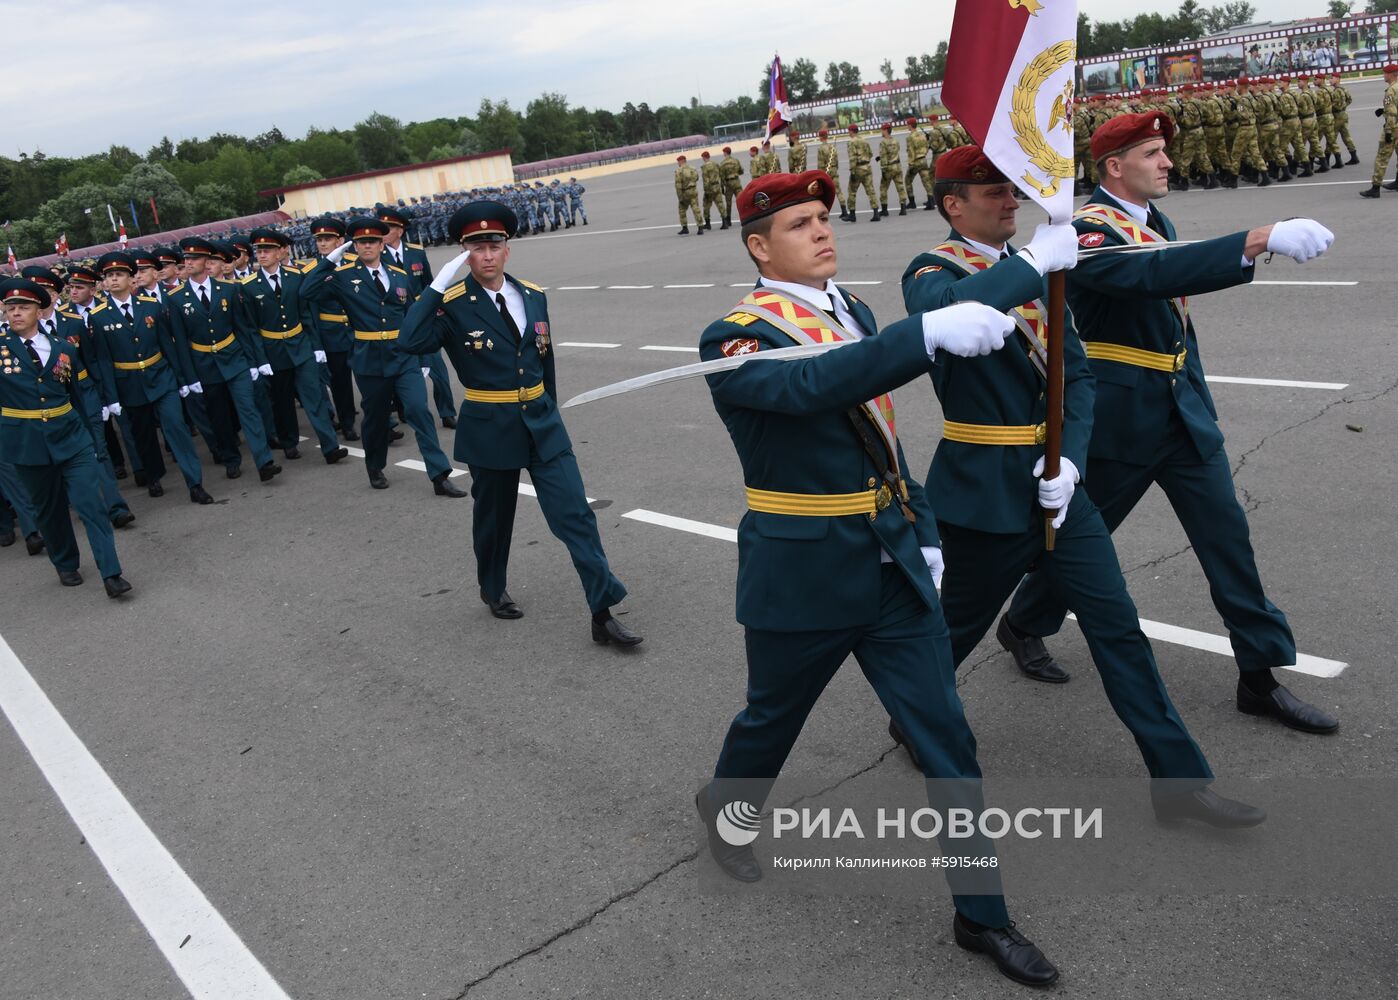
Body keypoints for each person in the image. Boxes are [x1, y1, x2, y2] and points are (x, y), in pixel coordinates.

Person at [693, 169, 1059, 987]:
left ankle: (982, 914)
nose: (822, 231)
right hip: (804, 572)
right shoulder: (734, 337)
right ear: (759, 246)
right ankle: (727, 809)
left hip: (891, 559)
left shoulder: (852, 312)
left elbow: (885, 440)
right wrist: (925, 336)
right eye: (798, 224)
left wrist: (923, 530)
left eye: (824, 218)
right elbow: (817, 385)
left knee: (946, 738)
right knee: (769, 720)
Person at [996, 112, 1339, 736]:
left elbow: (1176, 325)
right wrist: (1256, 238)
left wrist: (1200, 401)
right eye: (1152, 153)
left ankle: (1259, 677)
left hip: (1181, 418)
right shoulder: (1087, 232)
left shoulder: (1152, 220)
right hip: (1120, 427)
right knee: (1080, 544)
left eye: (1164, 152)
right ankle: (1023, 622)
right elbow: (1152, 275)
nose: (1168, 162)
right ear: (1113, 168)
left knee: (1228, 542)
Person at [399, 201, 642, 646]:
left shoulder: (532, 294)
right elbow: (410, 340)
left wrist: (549, 407)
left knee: (576, 515)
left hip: (542, 423)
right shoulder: (451, 305)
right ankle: (492, 587)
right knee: (494, 519)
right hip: (490, 426)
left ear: (506, 249)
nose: (487, 254)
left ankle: (602, 612)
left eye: (494, 245)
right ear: (464, 253)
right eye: (476, 247)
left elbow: (543, 360)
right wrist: (435, 286)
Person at [300, 217, 465, 497]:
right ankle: (375, 465)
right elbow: (307, 291)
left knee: (418, 411)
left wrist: (424, 358)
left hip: (403, 358)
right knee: (375, 418)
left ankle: (439, 475)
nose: (367, 246)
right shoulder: (343, 276)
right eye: (361, 242)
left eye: (372, 241)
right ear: (355, 245)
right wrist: (331, 259)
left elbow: (414, 318)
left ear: (381, 244)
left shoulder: (399, 275)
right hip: (369, 361)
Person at [0, 278, 131, 597]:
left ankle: (111, 573)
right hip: (27, 444)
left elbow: (73, 395)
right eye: (11, 308)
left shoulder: (62, 348)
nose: (16, 313)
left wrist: (90, 438)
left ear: (39, 310)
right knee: (50, 510)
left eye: (24, 307)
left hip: (72, 439)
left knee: (91, 505)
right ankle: (65, 561)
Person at [88, 253, 215, 505]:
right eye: (109, 276)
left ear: (130, 278)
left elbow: (168, 345)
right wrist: (110, 397)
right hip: (129, 383)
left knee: (176, 428)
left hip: (161, 377)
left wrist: (183, 379)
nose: (113, 279)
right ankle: (154, 476)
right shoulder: (99, 316)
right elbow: (102, 360)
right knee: (142, 434)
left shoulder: (151, 305)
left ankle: (195, 482)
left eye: (119, 275)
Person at [165, 237, 283, 483]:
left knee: (248, 409)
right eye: (186, 259)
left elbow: (243, 329)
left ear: (206, 261)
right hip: (204, 363)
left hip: (235, 358)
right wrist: (189, 377)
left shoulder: (229, 289)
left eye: (194, 258)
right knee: (219, 416)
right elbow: (180, 342)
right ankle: (231, 459)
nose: (188, 263)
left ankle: (264, 461)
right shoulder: (176, 298)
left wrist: (253, 362)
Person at [234, 228, 348, 465]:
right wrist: (260, 360)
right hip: (272, 348)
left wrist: (316, 346)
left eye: (267, 251)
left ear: (279, 253)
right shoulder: (248, 286)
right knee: (282, 400)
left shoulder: (296, 277)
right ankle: (289, 441)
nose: (262, 255)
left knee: (313, 396)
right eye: (259, 251)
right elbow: (251, 328)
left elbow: (307, 314)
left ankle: (330, 446)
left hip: (300, 344)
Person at [377, 205, 456, 429]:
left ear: (400, 231)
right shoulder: (378, 257)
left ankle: (447, 412)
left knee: (437, 369)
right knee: (402, 370)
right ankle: (403, 408)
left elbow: (430, 285)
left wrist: (437, 312)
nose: (382, 233)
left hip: (423, 321)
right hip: (397, 324)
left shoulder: (416, 252)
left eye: (387, 228)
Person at [306, 217, 359, 439]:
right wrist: (317, 343)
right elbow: (310, 310)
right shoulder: (312, 269)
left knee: (371, 378)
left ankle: (385, 422)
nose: (323, 243)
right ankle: (347, 423)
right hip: (332, 333)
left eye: (328, 239)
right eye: (319, 240)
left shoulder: (355, 263)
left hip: (358, 330)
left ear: (339, 240)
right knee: (340, 383)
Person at [1360, 64, 1398, 199]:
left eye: (1385, 73)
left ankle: (1375, 188)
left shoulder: (1391, 90)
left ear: (1390, 74)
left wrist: (1388, 132)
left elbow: (1393, 114)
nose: (1384, 75)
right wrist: (1383, 112)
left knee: (1381, 157)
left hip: (1393, 128)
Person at [845, 124, 879, 222]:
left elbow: (852, 158)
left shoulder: (851, 142)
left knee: (852, 191)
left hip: (858, 168)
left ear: (851, 131)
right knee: (870, 190)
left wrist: (852, 171)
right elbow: (871, 154)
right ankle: (876, 212)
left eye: (849, 131)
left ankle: (852, 214)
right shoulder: (864, 140)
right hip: (867, 167)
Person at [674, 155, 704, 236]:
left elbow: (678, 186)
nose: (678, 163)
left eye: (678, 162)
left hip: (685, 192)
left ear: (681, 161)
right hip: (693, 191)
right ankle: (700, 227)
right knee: (696, 209)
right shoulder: (692, 168)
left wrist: (680, 198)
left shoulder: (678, 171)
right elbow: (697, 178)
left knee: (682, 210)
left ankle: (685, 228)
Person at [719, 146, 744, 228]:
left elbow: (721, 176)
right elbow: (741, 171)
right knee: (741, 200)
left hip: (728, 184)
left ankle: (728, 220)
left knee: (728, 203)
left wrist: (722, 187)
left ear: (725, 153)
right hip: (736, 182)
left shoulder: (722, 163)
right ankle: (743, 218)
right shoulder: (736, 160)